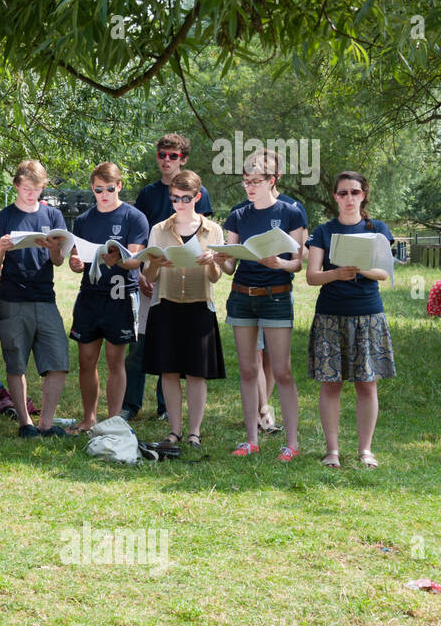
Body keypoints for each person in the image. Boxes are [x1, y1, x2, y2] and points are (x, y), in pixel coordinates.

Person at [219, 149, 308, 459]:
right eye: (245, 181)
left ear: (272, 180)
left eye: (256, 181)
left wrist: (279, 264)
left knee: (282, 371)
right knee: (246, 369)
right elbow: (230, 267)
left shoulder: (291, 212)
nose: (250, 187)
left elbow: (298, 263)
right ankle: (251, 439)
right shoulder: (237, 214)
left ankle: (292, 444)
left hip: (277, 296)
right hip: (242, 296)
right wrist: (222, 259)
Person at [306, 172, 395, 468]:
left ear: (363, 194)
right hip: (330, 315)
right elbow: (311, 276)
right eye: (342, 193)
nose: (348, 198)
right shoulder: (323, 231)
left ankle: (365, 450)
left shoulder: (377, 229)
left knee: (367, 384)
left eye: (354, 192)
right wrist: (336, 273)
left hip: (368, 313)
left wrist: (360, 269)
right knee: (330, 384)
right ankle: (332, 450)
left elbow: (384, 272)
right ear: (335, 196)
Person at [123, 133, 214, 421]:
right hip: (152, 277)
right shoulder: (149, 194)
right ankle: (131, 404)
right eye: (162, 154)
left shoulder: (202, 193)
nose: (166, 160)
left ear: (183, 159)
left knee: (174, 348)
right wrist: (141, 274)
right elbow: (140, 239)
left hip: (189, 284)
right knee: (140, 345)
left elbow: (204, 238)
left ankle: (166, 408)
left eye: (172, 156)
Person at [138, 170, 226, 449]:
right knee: (169, 371)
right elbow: (148, 276)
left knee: (197, 373)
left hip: (200, 305)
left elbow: (216, 277)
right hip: (166, 305)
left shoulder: (213, 230)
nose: (179, 203)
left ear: (197, 197)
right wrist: (155, 265)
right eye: (174, 198)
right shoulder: (159, 229)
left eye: (185, 198)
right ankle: (174, 430)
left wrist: (211, 262)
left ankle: (194, 432)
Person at [0, 159, 70, 438]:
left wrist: (55, 247)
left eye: (36, 188)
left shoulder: (52, 216)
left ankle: (46, 422)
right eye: (25, 188)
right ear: (16, 186)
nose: (30, 193)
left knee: (58, 361)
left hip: (45, 296)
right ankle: (26, 423)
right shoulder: (2, 218)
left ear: (43, 187)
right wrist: (1, 247)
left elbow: (58, 261)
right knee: (16, 362)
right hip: (12, 297)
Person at [67, 162, 149, 431]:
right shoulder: (83, 220)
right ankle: (88, 418)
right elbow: (75, 258)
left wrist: (119, 259)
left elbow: (136, 260)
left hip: (120, 295)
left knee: (116, 361)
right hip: (90, 295)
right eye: (99, 189)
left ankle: (113, 420)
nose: (104, 194)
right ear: (92, 188)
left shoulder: (134, 217)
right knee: (86, 360)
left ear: (119, 186)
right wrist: (76, 263)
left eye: (110, 188)